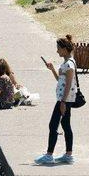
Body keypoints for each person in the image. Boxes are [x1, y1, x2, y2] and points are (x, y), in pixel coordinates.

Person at [35, 35, 77, 165]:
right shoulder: (68, 62)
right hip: (64, 99)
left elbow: (69, 84)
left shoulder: (69, 64)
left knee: (53, 125)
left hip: (64, 100)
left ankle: (49, 155)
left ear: (64, 49)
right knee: (65, 125)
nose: (57, 51)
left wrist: (63, 102)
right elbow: (61, 80)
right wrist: (52, 69)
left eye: (58, 48)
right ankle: (68, 155)